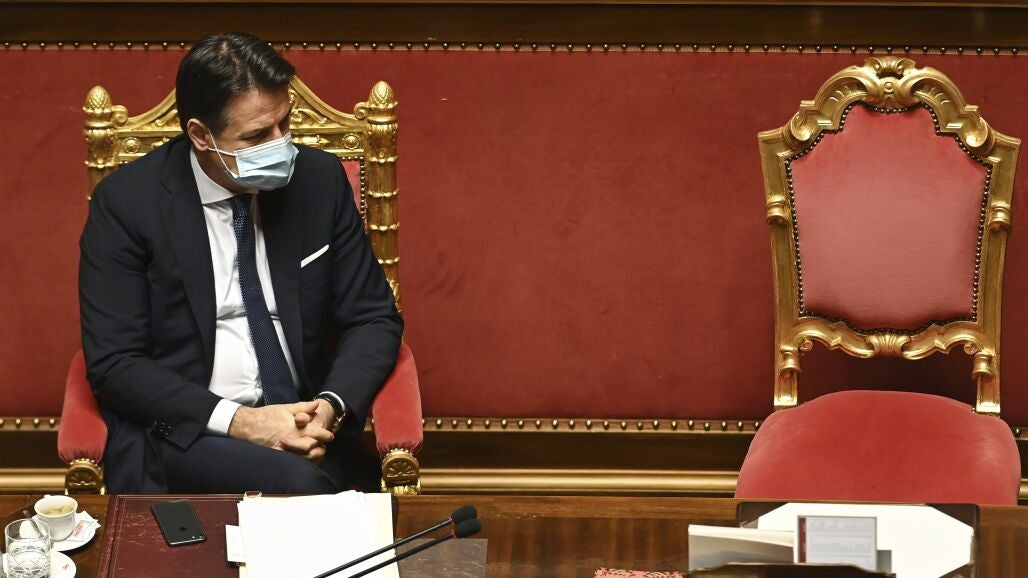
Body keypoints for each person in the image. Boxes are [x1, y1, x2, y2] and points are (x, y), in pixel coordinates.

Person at [79, 32, 403, 494]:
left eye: (285, 123)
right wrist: (244, 422)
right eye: (256, 136)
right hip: (192, 431)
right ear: (200, 136)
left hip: (306, 421)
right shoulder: (128, 203)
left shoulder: (319, 180)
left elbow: (373, 317)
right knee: (305, 487)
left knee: (316, 480)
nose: (281, 144)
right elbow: (115, 363)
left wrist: (327, 409)